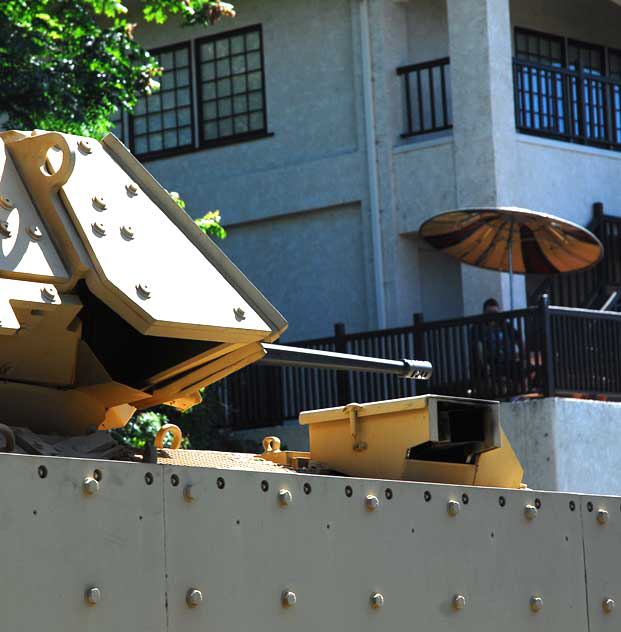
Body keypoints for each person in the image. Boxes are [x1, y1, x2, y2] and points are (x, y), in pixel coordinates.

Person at [470, 298, 522, 395]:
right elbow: (478, 348)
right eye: (490, 313)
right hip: (490, 362)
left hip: (506, 360)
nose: (492, 316)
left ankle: (517, 394)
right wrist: (484, 364)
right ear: (484, 313)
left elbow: (518, 339)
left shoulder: (505, 325)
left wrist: (519, 356)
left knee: (521, 368)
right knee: (486, 374)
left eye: (495, 313)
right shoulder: (478, 327)